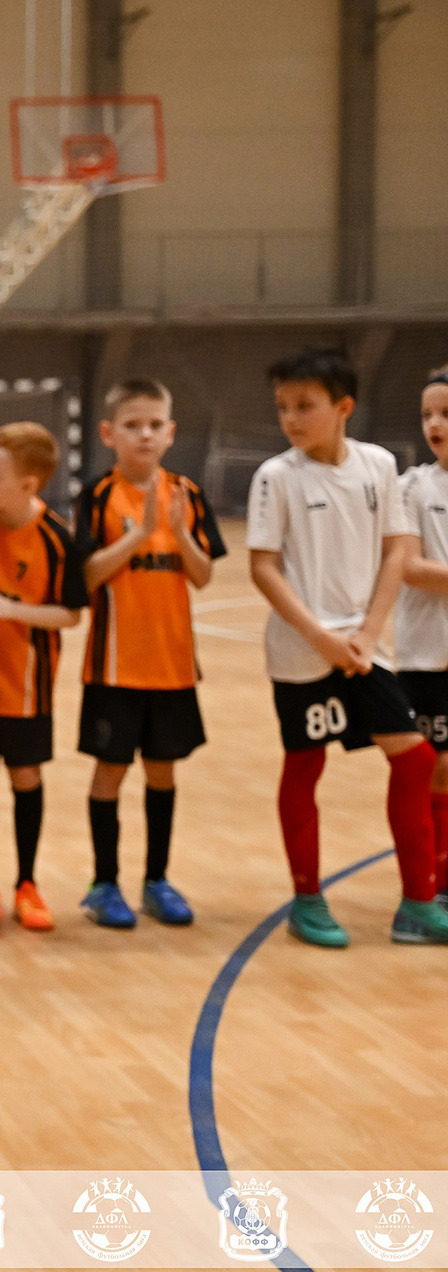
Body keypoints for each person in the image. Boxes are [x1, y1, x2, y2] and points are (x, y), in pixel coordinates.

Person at [248, 348, 448, 946]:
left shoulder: (379, 465)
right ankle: (307, 898)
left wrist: (366, 631)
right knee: (305, 764)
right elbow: (263, 567)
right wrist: (319, 636)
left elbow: (397, 551)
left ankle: (417, 906)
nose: (290, 418)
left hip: (364, 648)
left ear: (343, 408)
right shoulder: (276, 476)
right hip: (302, 653)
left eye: (304, 406)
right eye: (283, 407)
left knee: (414, 758)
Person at [73, 378, 223, 930]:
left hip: (171, 666)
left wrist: (178, 534)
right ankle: (103, 883)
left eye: (155, 425)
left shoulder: (187, 493)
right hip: (114, 668)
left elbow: (202, 576)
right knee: (110, 772)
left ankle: (157, 880)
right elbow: (87, 576)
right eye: (132, 425)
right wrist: (139, 536)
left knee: (163, 773)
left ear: (171, 432)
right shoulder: (97, 496)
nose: (145, 434)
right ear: (108, 433)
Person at [0, 421, 87, 931]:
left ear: (28, 485)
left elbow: (70, 615)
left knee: (26, 777)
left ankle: (27, 883)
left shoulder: (56, 538)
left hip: (27, 687)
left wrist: (8, 609)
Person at [394, 365, 448, 912]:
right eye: (428, 414)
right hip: (428, 656)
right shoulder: (411, 486)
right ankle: (432, 881)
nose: (435, 424)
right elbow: (410, 568)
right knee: (437, 767)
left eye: (447, 414)